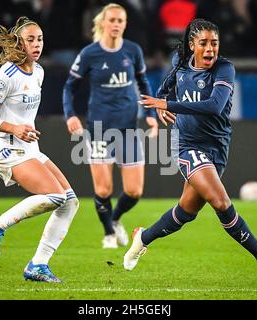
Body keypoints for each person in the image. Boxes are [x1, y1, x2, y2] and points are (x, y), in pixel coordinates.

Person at [123, 18, 257, 271]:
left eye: (215, 43)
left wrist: (168, 105)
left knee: (186, 212)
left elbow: (214, 107)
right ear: (192, 45)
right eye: (204, 43)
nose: (211, 49)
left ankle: (142, 237)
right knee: (221, 203)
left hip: (217, 147)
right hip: (187, 146)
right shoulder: (180, 66)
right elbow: (163, 91)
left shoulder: (225, 69)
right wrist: (161, 105)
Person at [0, 16, 79, 283]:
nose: (37, 44)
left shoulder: (39, 72)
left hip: (29, 149)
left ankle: (38, 265)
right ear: (19, 43)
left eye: (40, 39)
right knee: (55, 196)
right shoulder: (6, 75)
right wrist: (13, 128)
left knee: (70, 202)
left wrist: (24, 130)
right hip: (6, 150)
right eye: (30, 39)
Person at [62, 3, 159, 249]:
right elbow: (69, 87)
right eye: (112, 20)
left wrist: (150, 113)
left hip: (128, 128)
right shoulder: (89, 54)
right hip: (99, 129)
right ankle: (108, 235)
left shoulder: (133, 51)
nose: (116, 24)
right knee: (104, 188)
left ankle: (115, 220)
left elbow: (144, 83)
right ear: (102, 23)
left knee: (135, 191)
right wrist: (70, 115)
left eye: (120, 21)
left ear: (125, 24)